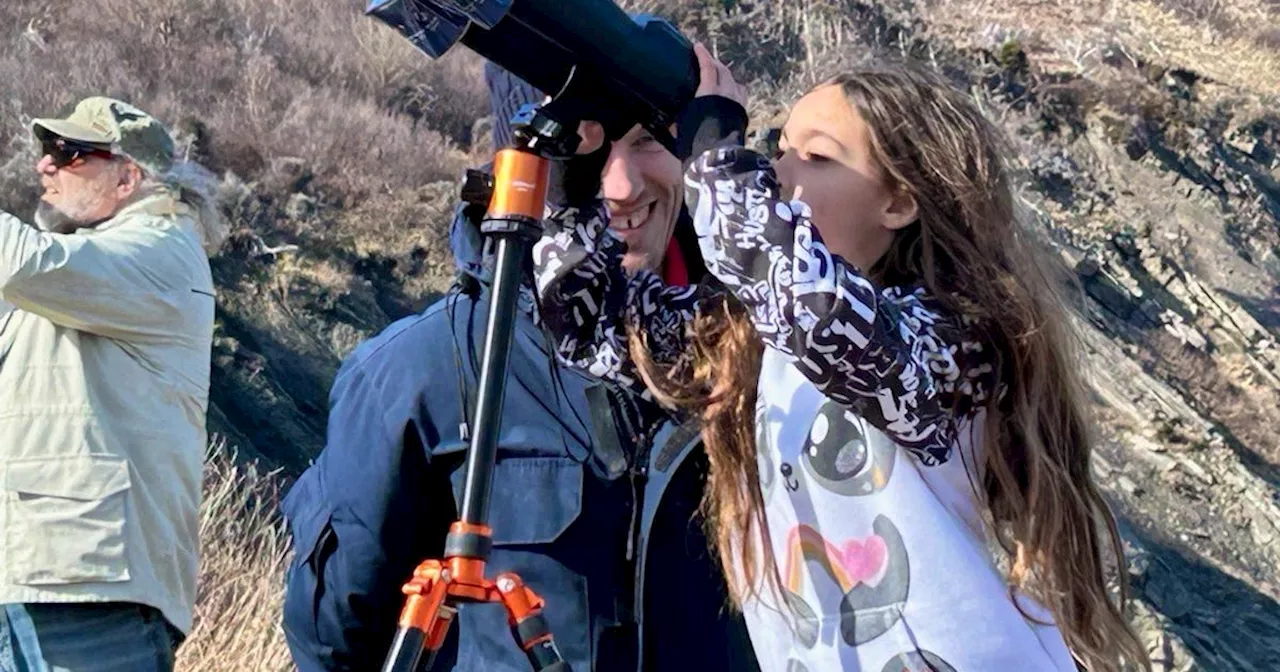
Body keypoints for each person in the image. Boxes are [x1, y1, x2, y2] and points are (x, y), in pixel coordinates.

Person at [533, 44, 1151, 672]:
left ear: (899, 203)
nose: (777, 173)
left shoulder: (957, 340)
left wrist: (717, 158)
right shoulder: (755, 335)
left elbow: (826, 320)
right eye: (778, 150)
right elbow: (596, 330)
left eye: (817, 157)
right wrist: (576, 185)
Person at [279, 59, 758, 671]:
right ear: (521, 172)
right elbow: (336, 643)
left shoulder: (760, 354)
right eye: (582, 151)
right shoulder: (421, 371)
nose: (621, 186)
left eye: (646, 141)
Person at [0, 97, 225, 671]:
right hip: (51, 577)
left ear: (128, 176)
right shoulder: (93, 266)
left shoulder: (161, 251)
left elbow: (21, 263)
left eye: (68, 152)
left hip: (87, 592)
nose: (44, 166)